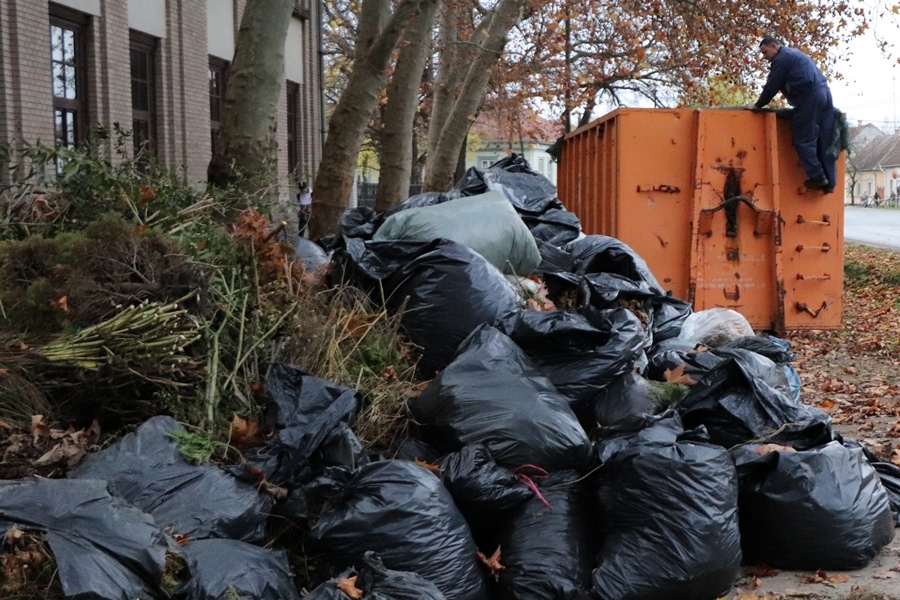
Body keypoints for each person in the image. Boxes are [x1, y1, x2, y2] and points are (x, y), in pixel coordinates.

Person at [749, 36, 836, 194]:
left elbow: (772, 85)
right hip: (824, 94)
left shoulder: (781, 59)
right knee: (824, 138)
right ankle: (830, 182)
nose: (764, 57)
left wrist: (757, 105)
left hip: (809, 98)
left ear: (774, 46)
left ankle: (817, 176)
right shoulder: (794, 55)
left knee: (802, 139)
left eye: (765, 52)